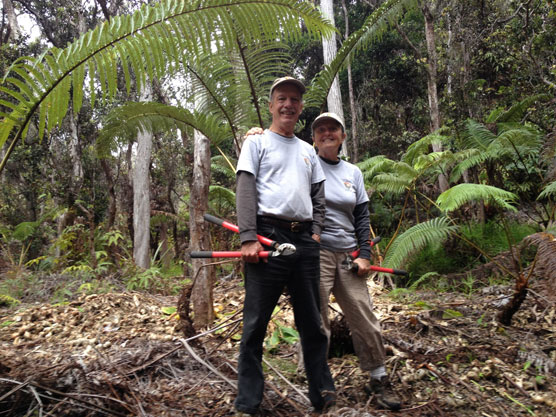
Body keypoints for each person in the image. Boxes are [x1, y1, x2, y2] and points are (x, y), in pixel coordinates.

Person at [234, 77, 336, 416]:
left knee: (312, 322)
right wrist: (248, 236)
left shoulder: (309, 151)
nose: (288, 105)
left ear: (301, 108)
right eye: (281, 98)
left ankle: (323, 392)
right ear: (270, 104)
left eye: (294, 99)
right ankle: (248, 402)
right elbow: (245, 189)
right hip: (267, 237)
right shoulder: (257, 143)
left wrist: (316, 234)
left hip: (304, 240)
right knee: (255, 325)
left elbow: (318, 198)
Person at [311, 112, 401, 411]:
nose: (327, 133)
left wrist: (365, 253)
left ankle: (378, 377)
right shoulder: (306, 164)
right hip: (317, 253)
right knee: (316, 321)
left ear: (342, 136)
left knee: (365, 318)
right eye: (320, 129)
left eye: (332, 129)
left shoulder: (354, 172)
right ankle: (318, 382)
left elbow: (362, 217)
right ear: (314, 138)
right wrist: (255, 137)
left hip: (349, 254)